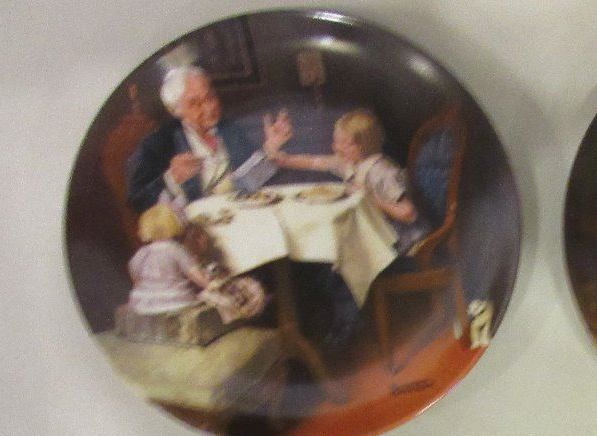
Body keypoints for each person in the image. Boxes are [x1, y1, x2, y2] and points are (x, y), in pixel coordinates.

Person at [126, 65, 293, 213]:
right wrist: (171, 180)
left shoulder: (229, 130)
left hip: (240, 217)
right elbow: (137, 202)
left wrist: (270, 148)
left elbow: (247, 183)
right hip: (196, 230)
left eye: (210, 97)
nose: (209, 107)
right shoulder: (159, 143)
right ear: (174, 109)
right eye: (195, 103)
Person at [270, 108, 429, 254]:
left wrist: (368, 198)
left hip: (403, 244)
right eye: (336, 141)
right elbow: (312, 161)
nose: (337, 148)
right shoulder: (350, 163)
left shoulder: (381, 172)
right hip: (377, 237)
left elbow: (408, 213)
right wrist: (279, 155)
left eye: (345, 143)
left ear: (364, 144)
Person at [126, 203, 265, 322]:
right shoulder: (176, 250)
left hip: (143, 304)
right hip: (175, 302)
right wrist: (212, 285)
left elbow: (135, 277)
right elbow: (197, 276)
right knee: (223, 297)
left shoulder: (141, 253)